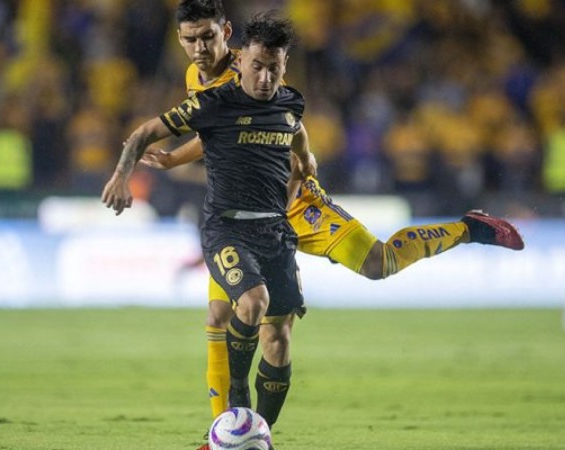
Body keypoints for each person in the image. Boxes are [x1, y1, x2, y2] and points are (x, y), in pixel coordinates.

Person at [138, 2, 525, 442]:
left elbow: (267, 136)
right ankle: (225, 434)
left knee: (378, 263)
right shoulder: (198, 79)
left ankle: (468, 228)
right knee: (223, 313)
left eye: (207, 37)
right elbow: (215, 134)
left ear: (231, 38)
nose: (198, 48)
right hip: (241, 219)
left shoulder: (253, 77)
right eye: (190, 39)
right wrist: (174, 157)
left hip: (297, 204)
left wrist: (172, 158)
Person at [103, 12, 315, 449]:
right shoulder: (213, 103)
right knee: (252, 303)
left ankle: (258, 433)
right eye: (257, 66)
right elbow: (145, 132)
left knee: (279, 337)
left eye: (274, 68)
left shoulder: (291, 103)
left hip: (274, 231)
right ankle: (237, 403)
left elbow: (301, 152)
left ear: (284, 66)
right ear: (241, 62)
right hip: (227, 228)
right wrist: (122, 175)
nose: (264, 76)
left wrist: (297, 184)